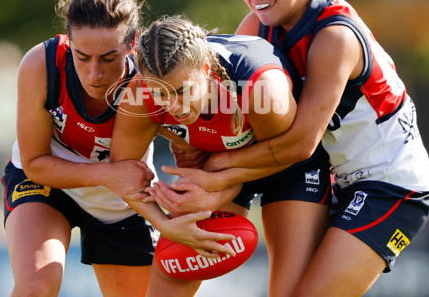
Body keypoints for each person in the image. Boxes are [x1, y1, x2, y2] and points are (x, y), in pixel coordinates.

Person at [190, 0, 429, 296]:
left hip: (394, 186)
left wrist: (220, 171)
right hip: (329, 174)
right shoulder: (258, 26)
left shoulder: (334, 36)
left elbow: (302, 142)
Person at [110, 15, 332, 297]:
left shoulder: (263, 92)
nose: (173, 106)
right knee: (168, 283)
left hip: (286, 163)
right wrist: (166, 224)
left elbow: (291, 151)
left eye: (182, 91)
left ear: (205, 68)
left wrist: (218, 176)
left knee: (291, 292)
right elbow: (122, 173)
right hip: (216, 166)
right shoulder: (140, 94)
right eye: (159, 94)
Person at [2, 0, 164, 297]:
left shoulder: (150, 81)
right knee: (36, 287)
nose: (94, 73)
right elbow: (34, 162)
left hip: (121, 200)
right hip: (47, 182)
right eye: (82, 56)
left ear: (131, 44)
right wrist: (107, 173)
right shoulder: (40, 65)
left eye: (108, 58)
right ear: (68, 41)